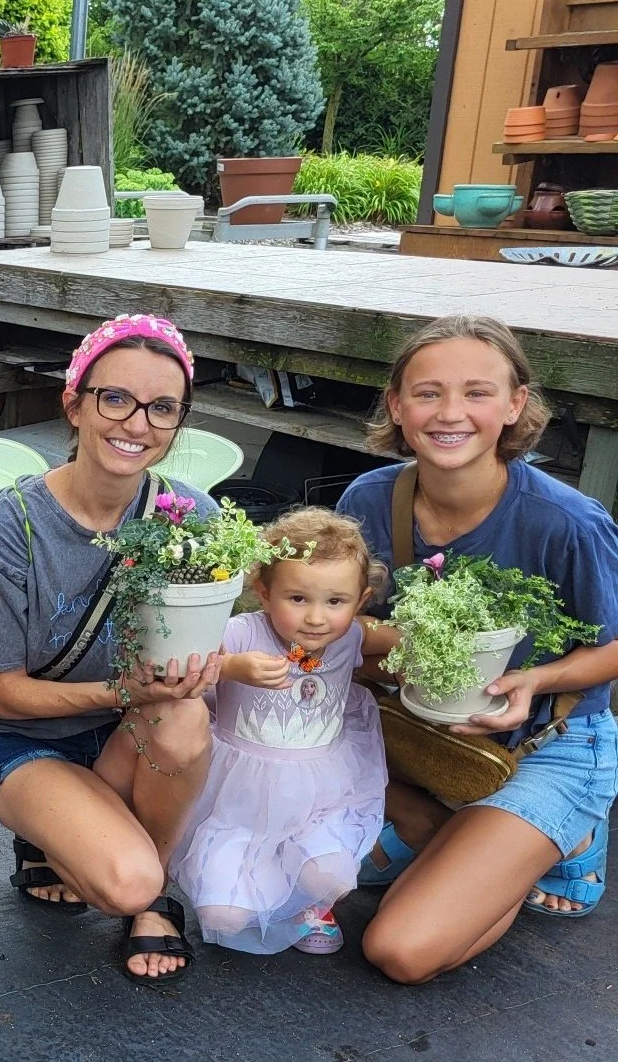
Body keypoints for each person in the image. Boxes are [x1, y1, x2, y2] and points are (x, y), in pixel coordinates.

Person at [0, 314, 221, 980]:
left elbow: (201, 651)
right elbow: (5, 695)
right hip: (22, 739)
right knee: (123, 881)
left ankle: (150, 889)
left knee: (185, 717)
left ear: (178, 422)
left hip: (126, 732)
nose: (137, 424)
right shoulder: (12, 525)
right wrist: (126, 692)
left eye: (162, 408)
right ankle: (71, 845)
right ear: (74, 403)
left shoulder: (192, 517)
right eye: (115, 398)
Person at [339, 315, 618, 984]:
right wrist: (395, 644)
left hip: (546, 742)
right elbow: (344, 634)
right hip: (421, 731)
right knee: (306, 859)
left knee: (401, 950)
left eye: (477, 392)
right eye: (428, 393)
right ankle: (447, 826)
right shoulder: (369, 500)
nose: (450, 413)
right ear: (398, 406)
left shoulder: (568, 524)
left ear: (516, 403)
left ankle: (565, 835)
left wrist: (534, 678)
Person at [168, 508, 386, 954]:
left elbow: (407, 644)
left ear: (360, 600)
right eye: (298, 599)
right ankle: (248, 888)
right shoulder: (242, 632)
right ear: (264, 593)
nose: (317, 618)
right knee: (224, 917)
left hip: (321, 785)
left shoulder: (354, 637)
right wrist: (231, 667)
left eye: (336, 601)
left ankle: (310, 904)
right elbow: (187, 667)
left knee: (330, 874)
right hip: (242, 788)